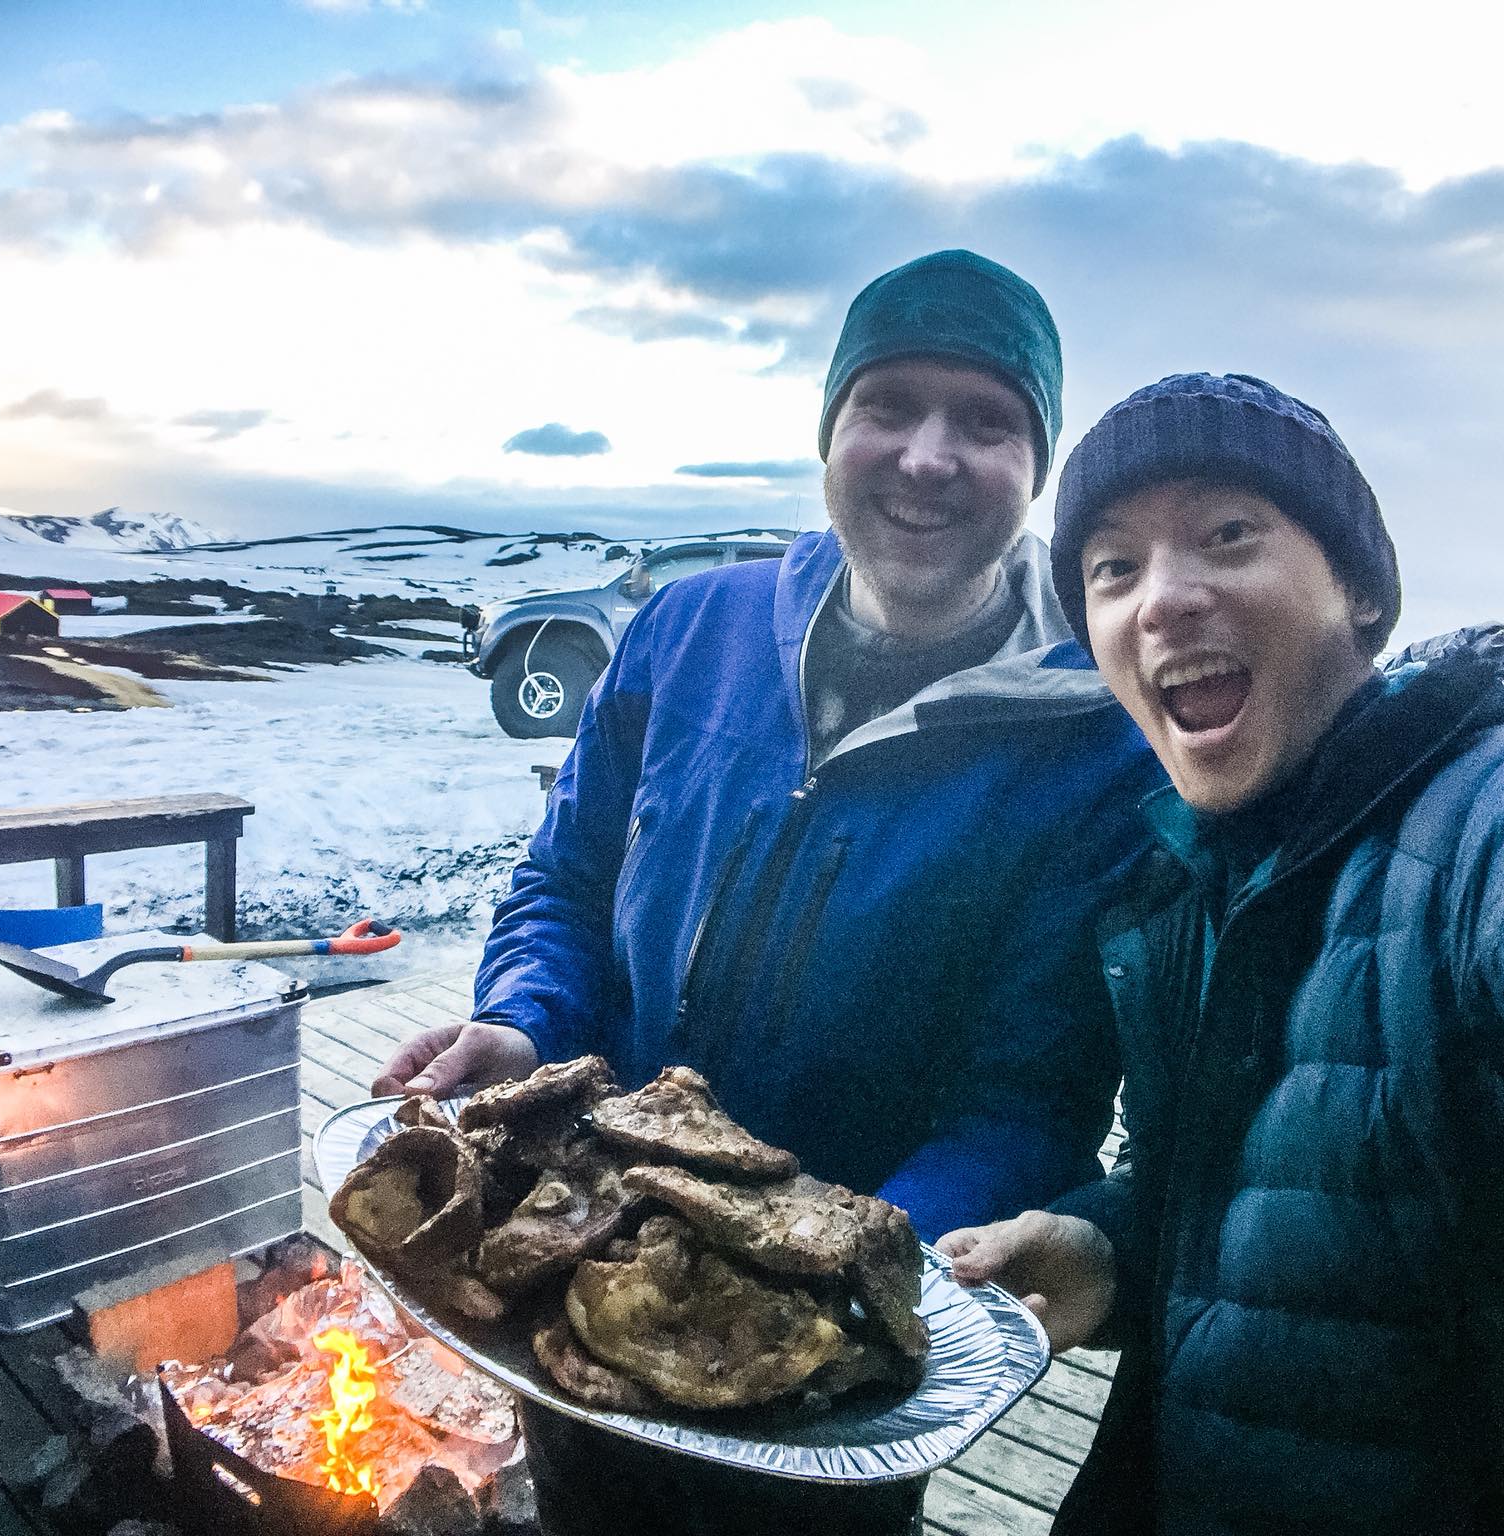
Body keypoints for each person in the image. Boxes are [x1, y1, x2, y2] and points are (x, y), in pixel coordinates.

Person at [940, 371, 1504, 1536]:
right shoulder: (1190, 885)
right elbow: (1299, 1182)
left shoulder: (1493, 816)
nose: (1161, 598)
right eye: (1111, 568)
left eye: (1227, 535)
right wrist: (1117, 1248)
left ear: (1361, 593)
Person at [374, 250, 1162, 1535]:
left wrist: (821, 1270)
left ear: (1036, 471)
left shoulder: (1093, 749)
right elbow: (564, 881)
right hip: (584, 1276)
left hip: (826, 1382)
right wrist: (520, 1020)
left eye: (986, 422)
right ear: (829, 430)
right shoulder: (688, 633)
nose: (925, 454)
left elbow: (1030, 1099)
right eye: (888, 404)